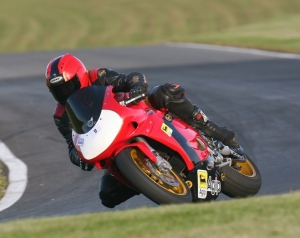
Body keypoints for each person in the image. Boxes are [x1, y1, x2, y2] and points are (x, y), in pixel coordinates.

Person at [45, 53, 240, 208]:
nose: (65, 93)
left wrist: (138, 87)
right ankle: (146, 179)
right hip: (110, 143)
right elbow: (72, 145)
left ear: (80, 76)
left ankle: (213, 130)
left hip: (134, 114)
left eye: (68, 85)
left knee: (165, 92)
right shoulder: (61, 115)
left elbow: (131, 78)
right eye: (59, 90)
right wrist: (78, 157)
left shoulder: (98, 77)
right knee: (107, 194)